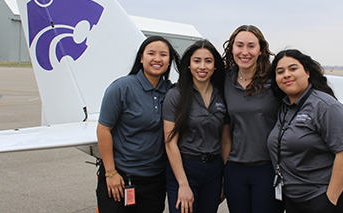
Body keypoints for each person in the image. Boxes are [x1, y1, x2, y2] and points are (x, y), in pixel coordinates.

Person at [267, 49, 343, 213]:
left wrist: (329, 201)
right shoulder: (284, 107)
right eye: (280, 72)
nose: (286, 74)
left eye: (293, 69)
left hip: (323, 198)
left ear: (307, 72)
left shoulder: (325, 106)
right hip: (294, 199)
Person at [96, 36, 180, 213]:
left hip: (155, 181)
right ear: (141, 58)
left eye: (163, 55)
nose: (157, 59)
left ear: (169, 62)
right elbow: (103, 130)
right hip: (121, 178)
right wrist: (110, 172)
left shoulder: (171, 92)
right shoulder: (121, 88)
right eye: (151, 53)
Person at [222, 25, 284, 213]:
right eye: (239, 45)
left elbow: (312, 94)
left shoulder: (275, 79)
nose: (245, 52)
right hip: (234, 168)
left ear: (261, 50)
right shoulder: (224, 79)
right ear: (232, 48)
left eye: (251, 46)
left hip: (268, 168)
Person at [163, 40, 231, 213]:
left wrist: (224, 179)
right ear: (189, 65)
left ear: (215, 65)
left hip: (213, 171)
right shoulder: (176, 95)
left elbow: (224, 140)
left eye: (208, 61)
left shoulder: (222, 95)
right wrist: (183, 184)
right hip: (185, 168)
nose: (202, 66)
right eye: (197, 61)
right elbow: (170, 142)